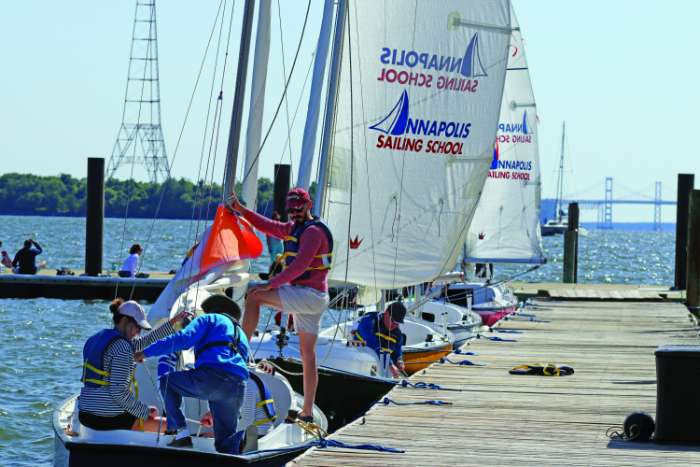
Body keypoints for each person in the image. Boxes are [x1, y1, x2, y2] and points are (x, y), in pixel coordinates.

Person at [227, 187, 333, 422]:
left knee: (254, 296)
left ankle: (241, 352)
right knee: (308, 354)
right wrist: (242, 210)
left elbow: (299, 267)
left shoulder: (314, 232)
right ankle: (307, 411)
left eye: (299, 208)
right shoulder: (294, 228)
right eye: (291, 209)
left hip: (308, 295)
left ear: (309, 205)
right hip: (312, 298)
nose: (294, 213)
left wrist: (269, 284)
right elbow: (266, 225)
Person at [136, 294, 251, 454]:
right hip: (238, 386)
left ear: (212, 310)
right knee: (225, 442)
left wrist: (146, 352)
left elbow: (184, 339)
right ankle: (237, 447)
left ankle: (180, 433)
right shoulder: (241, 334)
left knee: (168, 382)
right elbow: (242, 364)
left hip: (213, 376)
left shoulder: (210, 318)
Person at [78, 298, 189, 431]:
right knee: (171, 425)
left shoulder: (96, 339)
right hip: (106, 417)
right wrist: (144, 411)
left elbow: (146, 340)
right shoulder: (123, 348)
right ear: (125, 321)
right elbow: (118, 393)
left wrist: (171, 323)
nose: (138, 333)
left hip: (84, 413)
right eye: (137, 327)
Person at [351, 301, 407, 378]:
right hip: (358, 363)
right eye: (393, 321)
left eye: (398, 323)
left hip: (381, 368)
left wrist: (399, 360)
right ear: (386, 313)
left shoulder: (397, 334)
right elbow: (374, 346)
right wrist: (390, 364)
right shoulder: (368, 321)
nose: (395, 325)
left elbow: (397, 352)